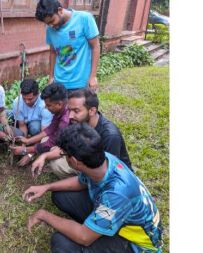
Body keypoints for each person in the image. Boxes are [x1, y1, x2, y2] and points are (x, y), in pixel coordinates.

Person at [23, 123, 162, 253]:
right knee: (59, 195)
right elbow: (81, 181)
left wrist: (44, 215)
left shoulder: (116, 195)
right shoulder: (103, 159)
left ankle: (94, 228)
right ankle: (96, 226)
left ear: (75, 162)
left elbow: (84, 237)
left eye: (64, 154)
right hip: (117, 214)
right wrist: (46, 187)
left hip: (134, 242)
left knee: (61, 243)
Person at [31, 88, 132, 179]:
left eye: (76, 111)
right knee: (53, 149)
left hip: (112, 177)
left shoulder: (110, 135)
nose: (70, 115)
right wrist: (43, 156)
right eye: (69, 110)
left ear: (92, 111)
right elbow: (63, 147)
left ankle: (82, 181)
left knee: (57, 166)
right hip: (89, 162)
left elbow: (110, 173)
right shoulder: (78, 122)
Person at [35, 0, 100, 92]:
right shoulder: (50, 29)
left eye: (52, 21)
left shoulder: (84, 18)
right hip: (59, 82)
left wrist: (93, 77)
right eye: (48, 24)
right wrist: (51, 76)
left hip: (81, 82)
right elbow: (53, 52)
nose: (51, 26)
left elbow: (95, 47)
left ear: (60, 10)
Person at [11, 82, 69, 167]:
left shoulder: (65, 120)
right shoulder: (59, 111)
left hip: (73, 148)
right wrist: (28, 141)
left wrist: (26, 151)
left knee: (55, 162)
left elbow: (50, 143)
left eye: (48, 105)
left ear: (59, 104)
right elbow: (49, 129)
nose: (45, 107)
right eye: (24, 99)